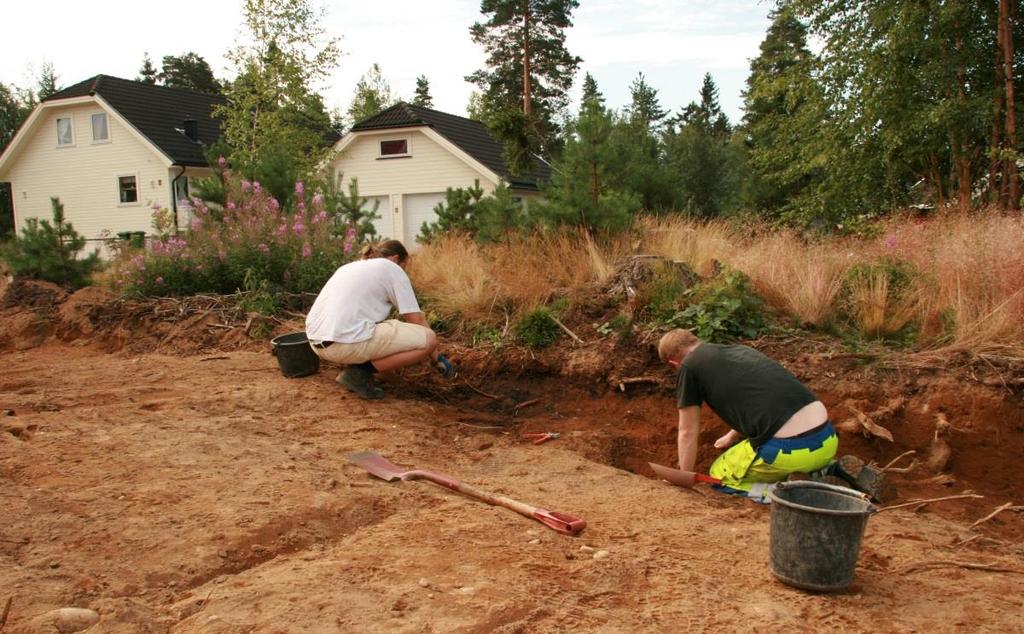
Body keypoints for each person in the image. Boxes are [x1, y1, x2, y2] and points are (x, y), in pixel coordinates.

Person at [657, 328, 838, 502]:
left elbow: (687, 430)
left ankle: (789, 494)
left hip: (790, 453)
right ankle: (825, 472)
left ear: (674, 364)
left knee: (721, 473)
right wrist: (731, 435)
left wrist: (683, 476)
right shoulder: (740, 351)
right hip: (828, 441)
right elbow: (754, 399)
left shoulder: (688, 367)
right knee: (768, 449)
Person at [305, 239, 454, 400]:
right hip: (343, 345)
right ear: (396, 259)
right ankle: (358, 374)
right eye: (404, 267)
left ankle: (364, 369)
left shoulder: (349, 267)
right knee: (429, 338)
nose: (404, 272)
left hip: (315, 343)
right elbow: (416, 320)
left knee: (376, 330)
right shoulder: (391, 269)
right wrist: (437, 358)